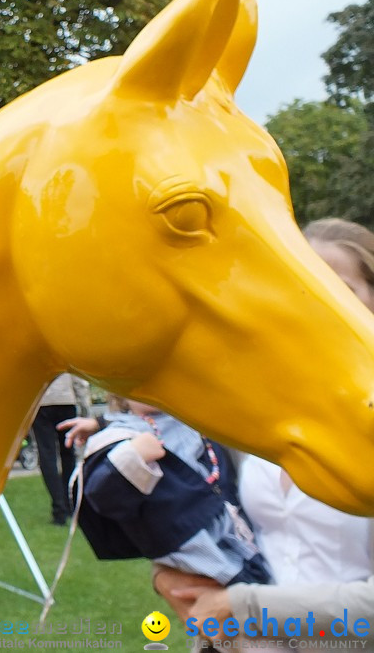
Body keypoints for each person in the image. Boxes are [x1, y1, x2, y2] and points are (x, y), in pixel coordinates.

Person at [162, 217, 374, 643]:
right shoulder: (253, 404)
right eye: (302, 288)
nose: (318, 306)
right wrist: (171, 574)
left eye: (340, 290)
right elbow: (206, 513)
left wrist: (244, 607)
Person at [78, 397, 271, 588]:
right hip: (200, 553)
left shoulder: (191, 419)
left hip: (243, 533)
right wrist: (132, 456)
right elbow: (101, 493)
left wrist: (99, 421)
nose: (150, 389)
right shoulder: (121, 435)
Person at [31, 373, 89, 525]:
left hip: (42, 401)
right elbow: (78, 379)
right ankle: (69, 503)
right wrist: (85, 408)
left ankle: (59, 508)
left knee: (46, 455)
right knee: (68, 453)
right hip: (66, 400)